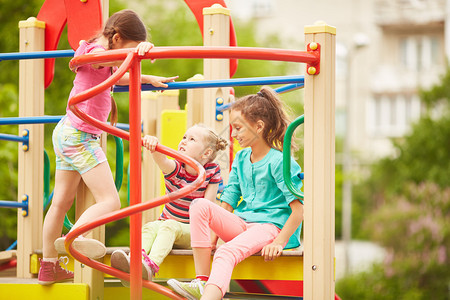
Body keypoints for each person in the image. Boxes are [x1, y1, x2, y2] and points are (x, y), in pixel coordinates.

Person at [38, 9, 178, 285]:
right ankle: (72, 240)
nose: (129, 55)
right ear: (116, 37)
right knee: (111, 201)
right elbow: (97, 63)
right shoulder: (93, 51)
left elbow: (116, 74)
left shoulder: (105, 57)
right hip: (79, 136)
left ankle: (48, 266)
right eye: (128, 48)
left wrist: (146, 77)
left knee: (61, 203)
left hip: (69, 133)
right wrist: (137, 54)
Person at [167, 87, 304, 300]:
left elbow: (298, 210)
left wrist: (279, 242)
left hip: (270, 227)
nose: (233, 134)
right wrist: (212, 237)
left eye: (238, 128)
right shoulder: (241, 158)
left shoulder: (280, 162)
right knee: (200, 206)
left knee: (225, 252)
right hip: (243, 223)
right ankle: (202, 281)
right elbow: (229, 198)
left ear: (259, 127)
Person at [111, 124, 228, 286]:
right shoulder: (177, 168)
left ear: (206, 153)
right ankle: (133, 262)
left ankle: (150, 267)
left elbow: (207, 206)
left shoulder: (211, 171)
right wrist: (155, 147)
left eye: (192, 139)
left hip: (192, 230)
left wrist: (210, 237)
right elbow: (162, 161)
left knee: (170, 226)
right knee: (150, 227)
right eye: (184, 137)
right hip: (166, 222)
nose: (184, 141)